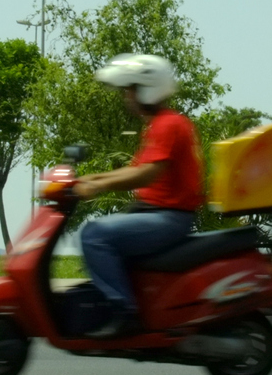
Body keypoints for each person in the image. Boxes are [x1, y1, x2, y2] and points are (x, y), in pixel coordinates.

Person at [72, 53, 204, 338]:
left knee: (94, 235)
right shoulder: (160, 124)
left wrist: (97, 186)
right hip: (156, 213)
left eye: (130, 89)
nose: (127, 97)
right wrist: (91, 178)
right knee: (101, 233)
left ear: (147, 89)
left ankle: (124, 312)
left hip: (168, 217)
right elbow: (135, 170)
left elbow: (146, 174)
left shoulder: (168, 124)